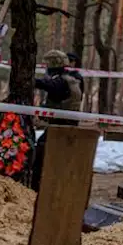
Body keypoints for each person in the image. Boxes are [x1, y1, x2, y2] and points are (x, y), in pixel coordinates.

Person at [29, 49, 85, 190]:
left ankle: (37, 188)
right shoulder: (72, 79)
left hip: (60, 127)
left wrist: (29, 79)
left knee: (41, 154)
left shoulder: (60, 82)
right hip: (67, 125)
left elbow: (48, 86)